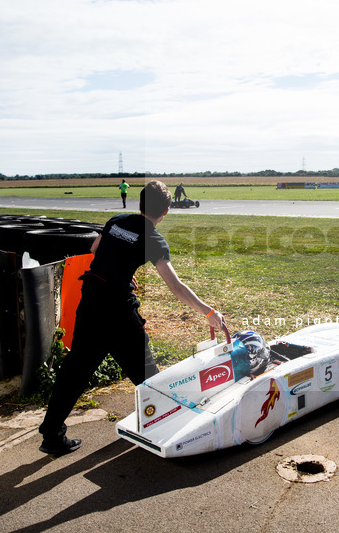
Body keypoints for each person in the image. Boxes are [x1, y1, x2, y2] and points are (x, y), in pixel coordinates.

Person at [38, 180, 226, 456]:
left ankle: (51, 434)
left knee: (75, 371)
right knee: (148, 377)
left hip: (90, 303)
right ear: (167, 211)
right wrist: (209, 312)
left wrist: (123, 269)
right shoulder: (153, 238)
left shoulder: (117, 220)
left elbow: (95, 250)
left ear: (139, 203)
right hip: (118, 314)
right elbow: (175, 286)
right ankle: (165, 428)